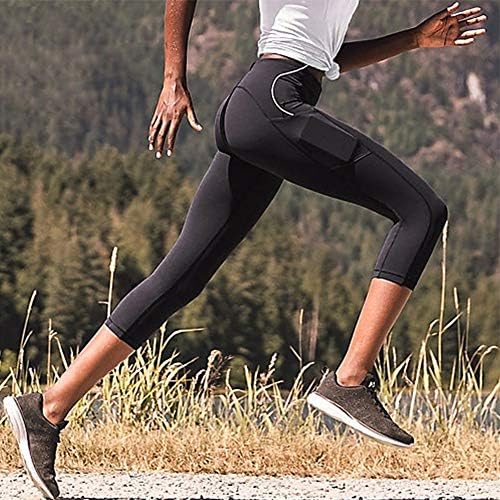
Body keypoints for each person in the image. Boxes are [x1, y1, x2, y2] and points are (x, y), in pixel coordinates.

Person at [3, 1, 487, 498]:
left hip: (267, 106)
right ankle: (350, 380)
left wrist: (414, 38)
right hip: (274, 104)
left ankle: (46, 409)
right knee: (421, 210)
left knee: (182, 276)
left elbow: (324, 54)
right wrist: (173, 79)